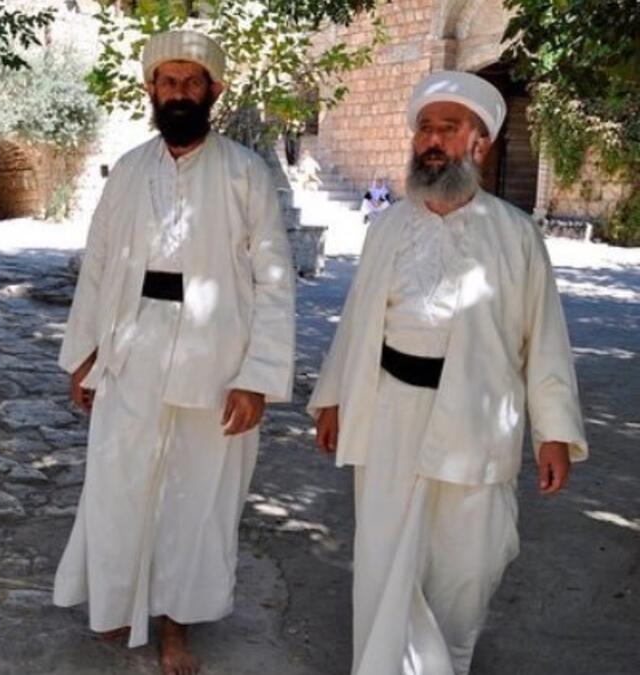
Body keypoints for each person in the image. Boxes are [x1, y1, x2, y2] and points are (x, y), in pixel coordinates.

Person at [308, 70, 588, 675]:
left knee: (466, 566)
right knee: (386, 559)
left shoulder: (515, 236)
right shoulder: (387, 228)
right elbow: (356, 321)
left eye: (449, 129)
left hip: (476, 418)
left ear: (479, 144)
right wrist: (332, 398)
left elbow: (545, 339)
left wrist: (555, 432)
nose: (432, 140)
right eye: (425, 129)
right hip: (387, 412)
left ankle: (447, 665)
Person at [52, 29, 296, 675]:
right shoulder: (129, 171)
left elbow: (274, 281)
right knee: (119, 483)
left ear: (213, 91)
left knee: (197, 496)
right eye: (169, 82)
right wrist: (84, 355)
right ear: (151, 91)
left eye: (192, 83)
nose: (180, 94)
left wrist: (258, 378)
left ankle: (175, 628)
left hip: (216, 359)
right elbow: (99, 266)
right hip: (132, 348)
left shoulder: (247, 173)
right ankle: (115, 601)